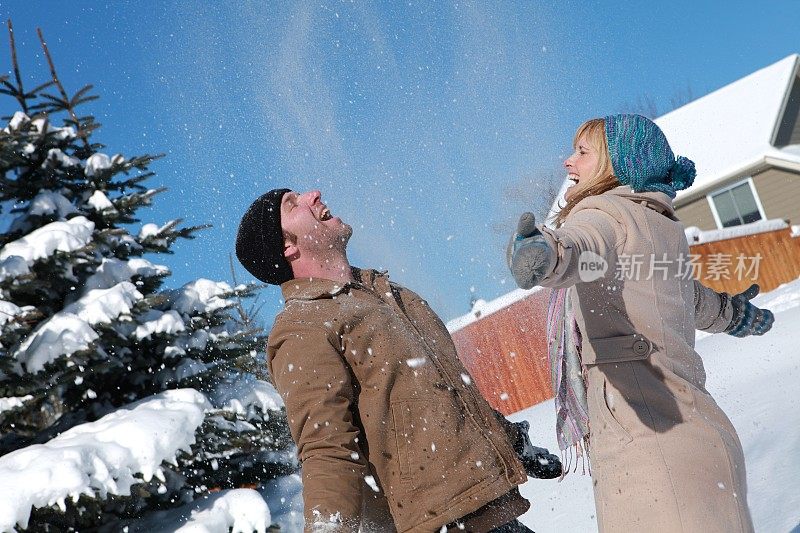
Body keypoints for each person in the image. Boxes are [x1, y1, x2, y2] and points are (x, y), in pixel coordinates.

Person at [235, 188, 560, 533]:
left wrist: (514, 442)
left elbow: (447, 394)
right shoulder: (302, 327)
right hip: (437, 522)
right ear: (288, 247)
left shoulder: (390, 295)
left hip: (486, 509)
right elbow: (326, 447)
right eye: (293, 203)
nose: (313, 194)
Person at [507, 114, 774, 533]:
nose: (567, 162)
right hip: (699, 436)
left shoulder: (605, 215)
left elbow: (580, 247)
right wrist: (736, 314)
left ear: (619, 164)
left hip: (649, 442)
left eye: (582, 152)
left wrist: (548, 253)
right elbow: (688, 297)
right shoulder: (657, 225)